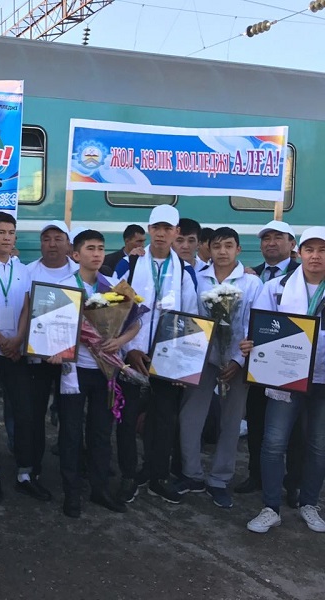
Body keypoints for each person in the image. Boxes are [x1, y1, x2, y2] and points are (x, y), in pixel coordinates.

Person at [243, 226, 325, 534]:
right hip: (285, 377)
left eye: (323, 250)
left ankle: (310, 503)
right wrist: (249, 344)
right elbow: (258, 327)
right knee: (274, 442)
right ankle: (270, 507)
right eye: (310, 250)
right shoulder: (276, 287)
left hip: (323, 378)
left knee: (318, 444)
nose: (315, 256)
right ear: (299, 253)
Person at [113, 204, 198, 505]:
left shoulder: (185, 271)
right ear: (149, 230)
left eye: (167, 228)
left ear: (176, 232)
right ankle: (128, 475)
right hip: (131, 356)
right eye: (156, 228)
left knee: (163, 420)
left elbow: (190, 317)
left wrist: (181, 363)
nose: (161, 234)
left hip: (168, 359)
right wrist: (128, 350)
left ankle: (157, 476)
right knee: (126, 420)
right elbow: (113, 310)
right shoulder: (130, 264)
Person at [175, 228, 262, 509]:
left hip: (237, 362)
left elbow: (253, 324)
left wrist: (237, 360)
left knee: (231, 421)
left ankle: (219, 479)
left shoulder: (251, 283)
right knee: (190, 416)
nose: (222, 251)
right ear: (208, 249)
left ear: (238, 249)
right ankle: (192, 474)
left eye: (228, 246)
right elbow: (190, 317)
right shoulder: (197, 278)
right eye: (216, 246)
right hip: (202, 358)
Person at [0, 212, 49, 503]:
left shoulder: (23, 269)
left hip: (17, 352)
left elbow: (28, 307)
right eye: (1, 232)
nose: (6, 237)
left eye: (11, 232)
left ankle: (25, 473)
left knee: (23, 412)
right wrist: (1, 340)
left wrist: (17, 340)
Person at [58, 229, 139, 517]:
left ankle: (99, 488)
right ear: (75, 254)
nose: (96, 254)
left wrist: (120, 341)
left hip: (105, 371)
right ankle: (71, 492)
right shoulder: (64, 287)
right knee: (70, 432)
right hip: (74, 369)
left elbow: (135, 322)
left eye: (101, 248)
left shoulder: (114, 287)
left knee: (101, 432)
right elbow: (51, 325)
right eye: (90, 248)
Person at [237, 219, 302, 501]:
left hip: (293, 365)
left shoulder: (303, 275)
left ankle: (293, 481)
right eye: (266, 238)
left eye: (278, 238)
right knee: (256, 419)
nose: (271, 243)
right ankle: (257, 474)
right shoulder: (252, 275)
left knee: (295, 428)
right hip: (259, 363)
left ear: (292, 244)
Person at [26, 220, 77, 470]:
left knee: (70, 417)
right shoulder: (28, 272)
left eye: (58, 239)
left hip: (72, 360)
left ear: (68, 244)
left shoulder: (80, 272)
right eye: (46, 239)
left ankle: (71, 468)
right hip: (37, 358)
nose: (52, 244)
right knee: (35, 415)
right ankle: (32, 467)